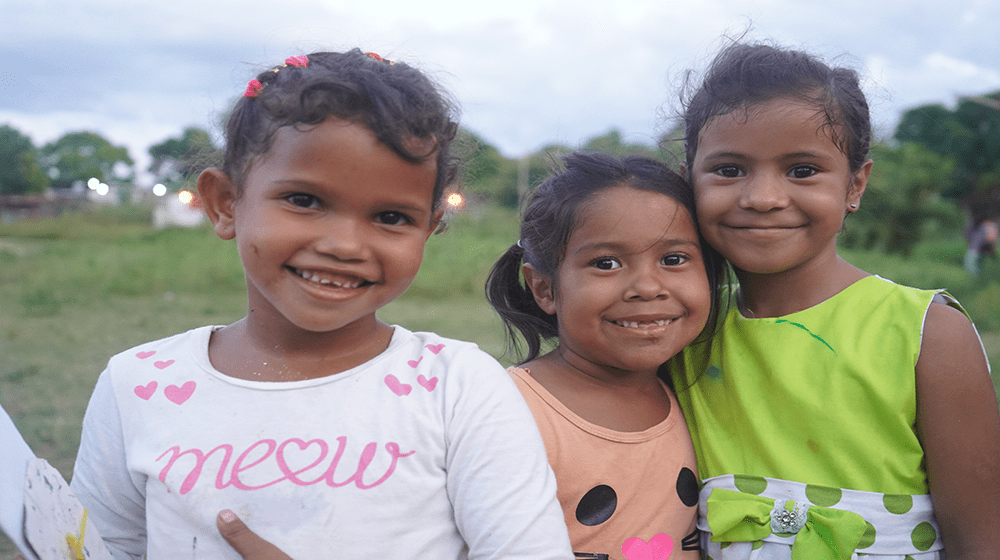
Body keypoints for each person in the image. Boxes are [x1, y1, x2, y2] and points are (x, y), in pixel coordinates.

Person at [69, 49, 573, 560]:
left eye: (392, 216)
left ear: (430, 225)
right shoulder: (135, 385)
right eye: (304, 201)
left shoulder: (459, 390)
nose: (344, 245)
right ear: (225, 203)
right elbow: (99, 548)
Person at [672, 42, 1000, 559]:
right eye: (729, 170)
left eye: (802, 170)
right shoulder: (681, 334)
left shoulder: (926, 333)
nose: (763, 197)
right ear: (689, 177)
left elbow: (981, 542)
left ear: (856, 184)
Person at [484, 152, 728, 560]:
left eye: (673, 259)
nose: (648, 287)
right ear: (544, 288)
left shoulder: (697, 392)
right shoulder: (511, 411)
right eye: (607, 263)